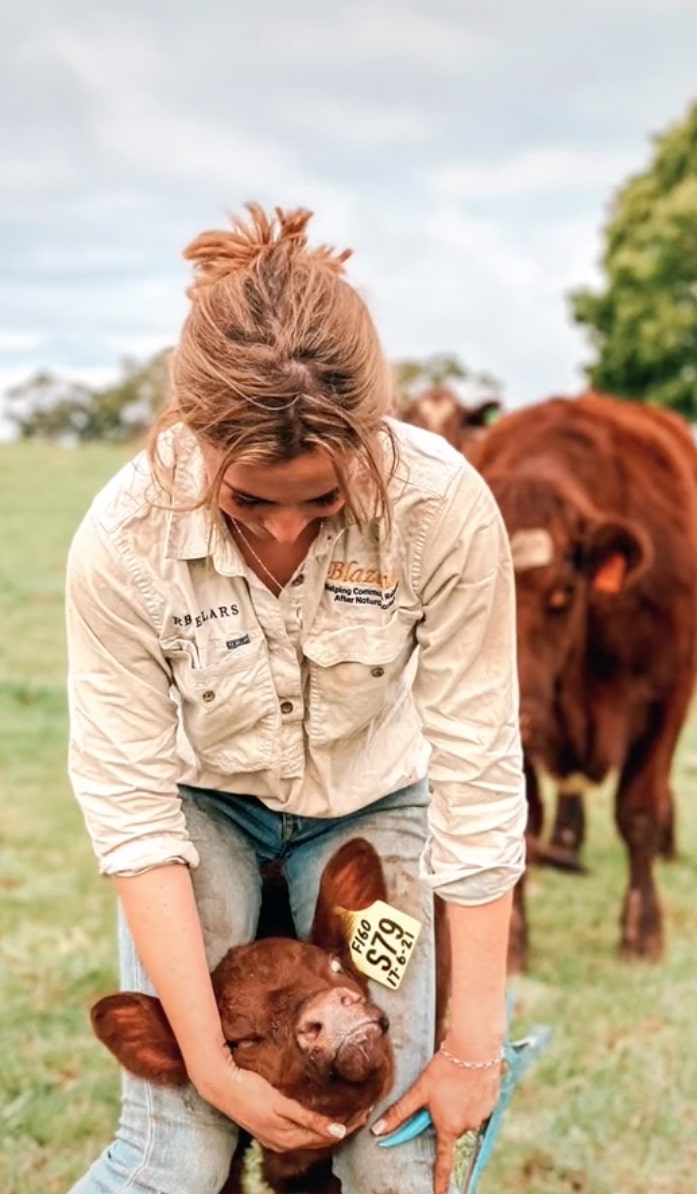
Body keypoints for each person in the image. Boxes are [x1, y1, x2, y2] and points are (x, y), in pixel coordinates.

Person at [65, 203, 527, 1194]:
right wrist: (213, 1070)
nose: (283, 533)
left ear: (369, 439)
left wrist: (471, 1056)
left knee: (396, 1160)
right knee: (175, 1157)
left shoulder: (441, 508)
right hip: (202, 814)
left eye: (321, 501)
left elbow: (479, 772)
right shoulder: (122, 538)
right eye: (247, 504)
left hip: (377, 804)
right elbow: (135, 816)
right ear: (192, 442)